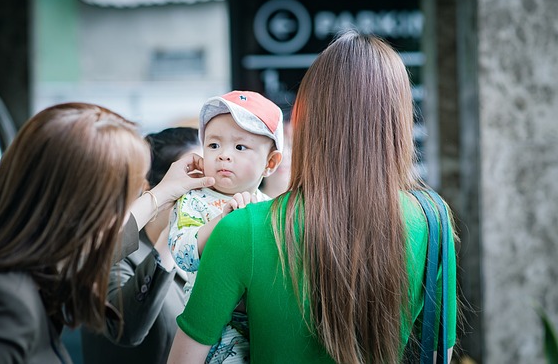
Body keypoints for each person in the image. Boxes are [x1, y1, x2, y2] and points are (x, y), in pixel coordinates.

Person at [167, 31, 458, 364]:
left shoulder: (238, 229)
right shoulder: (432, 219)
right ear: (397, 122)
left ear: (307, 123)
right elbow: (439, 355)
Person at [0, 103, 214, 363]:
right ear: (85, 208)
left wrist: (161, 195)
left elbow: (93, 244)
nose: (123, 218)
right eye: (126, 199)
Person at [168, 90, 284, 363]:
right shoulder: (193, 201)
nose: (223, 156)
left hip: (264, 329)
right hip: (215, 334)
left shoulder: (271, 209)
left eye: (240, 147)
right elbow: (183, 255)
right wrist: (223, 223)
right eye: (214, 145)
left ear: (270, 163)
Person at [81, 126, 201, 364]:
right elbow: (126, 328)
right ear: (152, 188)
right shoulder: (116, 255)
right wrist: (171, 235)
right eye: (195, 179)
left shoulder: (208, 248)